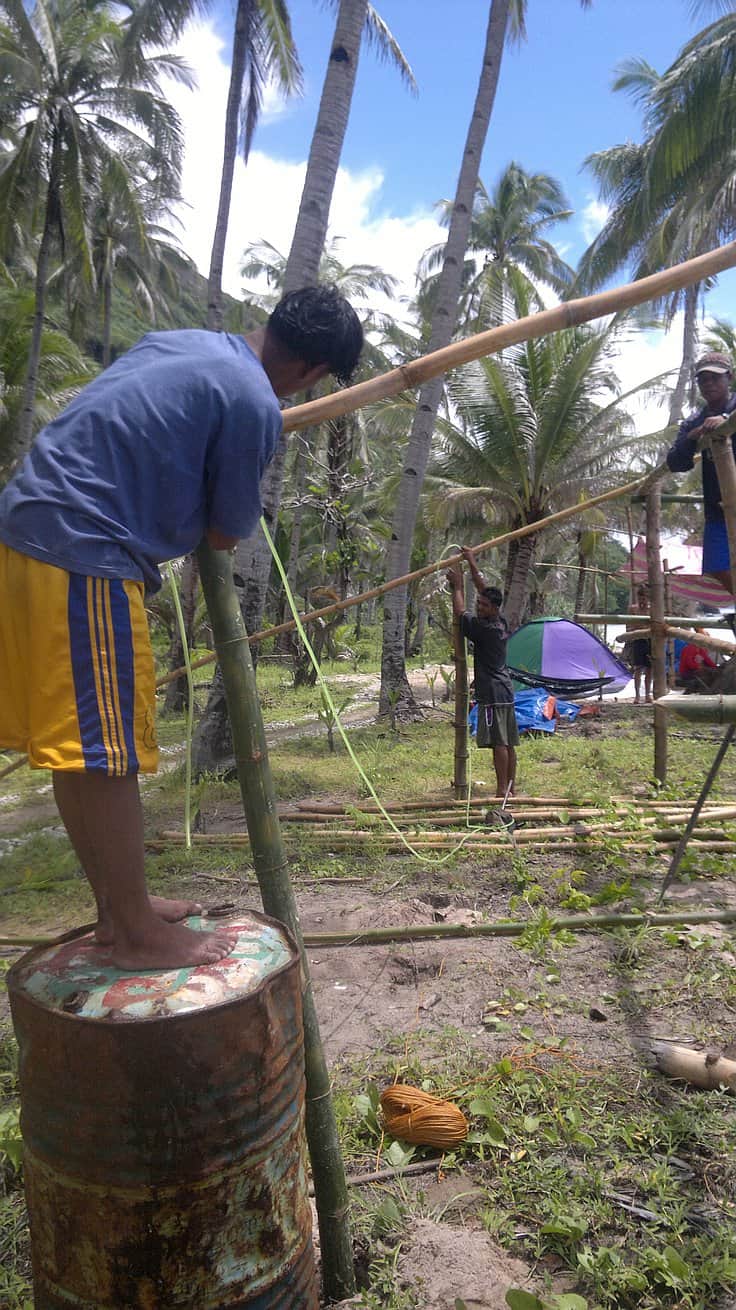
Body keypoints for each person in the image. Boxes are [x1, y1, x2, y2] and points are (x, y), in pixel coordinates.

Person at [0, 286, 363, 970]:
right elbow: (225, 532)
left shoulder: (182, 342)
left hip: (25, 529)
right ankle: (138, 933)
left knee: (81, 750)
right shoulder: (254, 401)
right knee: (107, 755)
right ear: (313, 372)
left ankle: (119, 911)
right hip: (85, 547)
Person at [447, 546, 520, 798]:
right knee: (508, 741)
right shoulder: (501, 622)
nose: (479, 607)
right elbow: (483, 588)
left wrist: (457, 587)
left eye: (484, 605)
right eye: (478, 603)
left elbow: (459, 613)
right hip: (505, 689)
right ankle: (511, 787)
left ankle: (502, 789)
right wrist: (470, 561)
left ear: (494, 608)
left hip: (492, 690)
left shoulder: (484, 629)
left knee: (500, 742)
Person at [666, 350, 736, 595]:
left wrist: (726, 419)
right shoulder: (695, 420)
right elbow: (676, 462)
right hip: (717, 508)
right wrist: (692, 438)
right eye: (703, 380)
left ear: (730, 377)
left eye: (715, 378)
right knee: (716, 566)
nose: (709, 384)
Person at [622, 584, 652, 704]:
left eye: (644, 598)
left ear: (648, 598)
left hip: (649, 640)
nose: (642, 601)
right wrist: (640, 628)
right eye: (640, 598)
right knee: (638, 668)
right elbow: (629, 626)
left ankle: (648, 695)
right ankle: (637, 695)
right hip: (637, 641)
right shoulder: (633, 609)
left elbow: (652, 626)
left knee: (650, 669)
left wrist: (642, 627)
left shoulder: (652, 609)